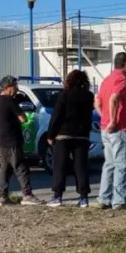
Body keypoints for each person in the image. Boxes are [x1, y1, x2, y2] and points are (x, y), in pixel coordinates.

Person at [46, 70, 95, 208]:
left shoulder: (64, 95)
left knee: (60, 166)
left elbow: (56, 116)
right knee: (81, 166)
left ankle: (57, 196)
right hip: (82, 136)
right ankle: (84, 197)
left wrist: (50, 135)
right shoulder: (89, 96)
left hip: (64, 135)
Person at [0, 76, 43, 206]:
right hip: (12, 140)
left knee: (5, 168)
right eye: (15, 85)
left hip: (1, 140)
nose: (17, 88)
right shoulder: (10, 101)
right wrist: (22, 112)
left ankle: (3, 196)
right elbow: (23, 119)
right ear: (8, 87)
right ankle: (27, 195)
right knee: (21, 167)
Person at [97, 52, 126, 210]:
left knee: (109, 164)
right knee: (121, 165)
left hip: (106, 129)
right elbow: (114, 98)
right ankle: (119, 201)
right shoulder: (121, 78)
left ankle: (104, 199)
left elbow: (97, 101)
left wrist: (105, 117)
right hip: (119, 129)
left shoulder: (107, 79)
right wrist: (113, 120)